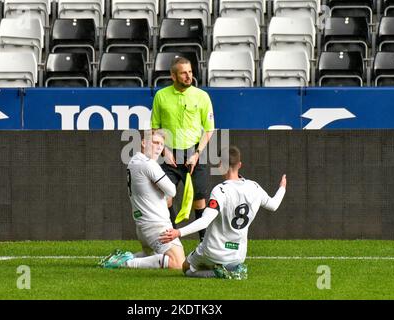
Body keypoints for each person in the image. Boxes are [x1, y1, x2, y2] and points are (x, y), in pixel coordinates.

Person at [159, 145, 287, 279]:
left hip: (212, 252)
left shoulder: (220, 190)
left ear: (220, 165)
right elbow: (274, 205)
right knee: (215, 262)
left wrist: (178, 232)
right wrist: (282, 188)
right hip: (238, 256)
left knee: (186, 268)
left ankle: (216, 273)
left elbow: (205, 221)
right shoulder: (254, 187)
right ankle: (230, 270)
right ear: (240, 165)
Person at [99, 130, 185, 270]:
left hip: (143, 228)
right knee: (178, 263)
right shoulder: (148, 164)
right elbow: (172, 190)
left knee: (149, 254)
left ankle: (127, 257)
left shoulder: (133, 161)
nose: (159, 147)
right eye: (155, 142)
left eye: (162, 144)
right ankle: (126, 263)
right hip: (156, 226)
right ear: (144, 143)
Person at [151, 56, 215, 241]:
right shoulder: (161, 96)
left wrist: (196, 154)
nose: (188, 76)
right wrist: (164, 151)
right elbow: (155, 128)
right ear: (173, 76)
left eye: (190, 72)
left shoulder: (202, 96)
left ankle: (204, 244)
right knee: (165, 199)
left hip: (195, 154)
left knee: (199, 200)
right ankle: (173, 242)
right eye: (183, 73)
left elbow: (209, 129)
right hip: (169, 154)